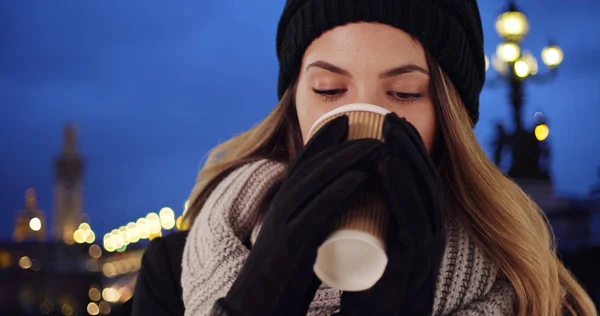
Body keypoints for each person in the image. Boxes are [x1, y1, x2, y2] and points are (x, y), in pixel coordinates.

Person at [132, 0, 597, 315]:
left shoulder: (526, 285)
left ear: (451, 119)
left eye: (404, 93)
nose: (365, 123)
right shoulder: (174, 271)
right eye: (329, 90)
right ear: (294, 103)